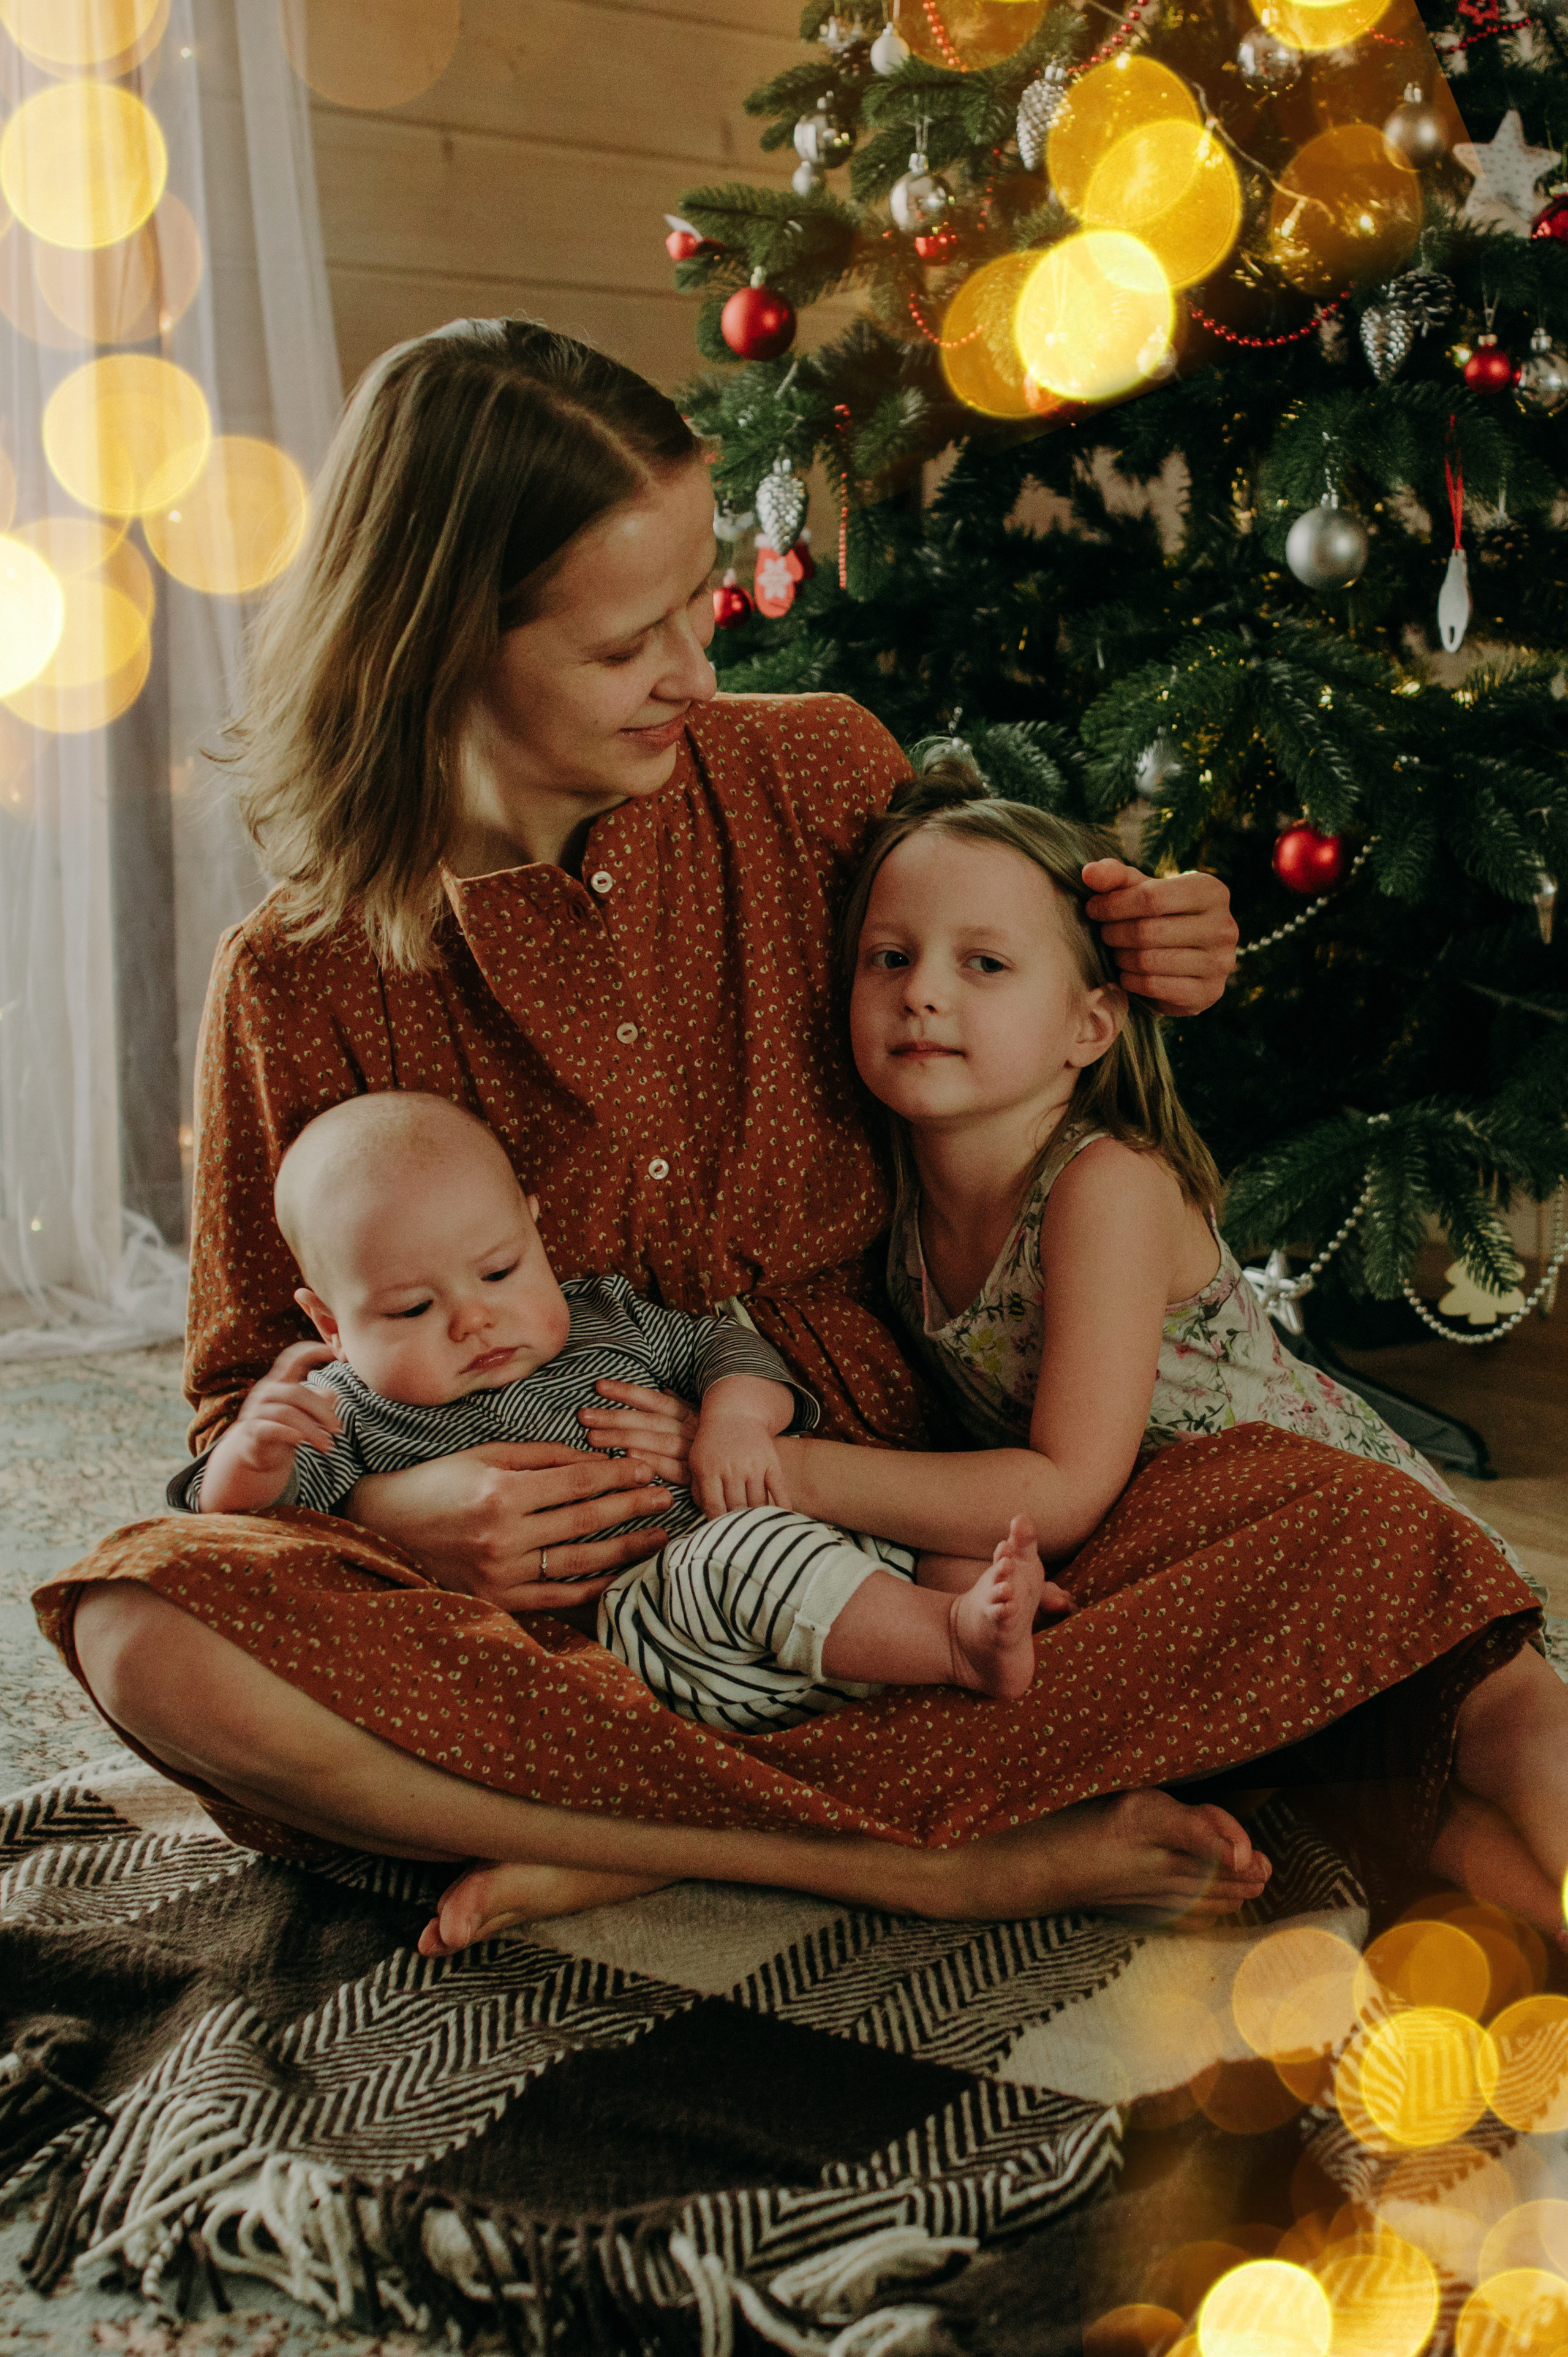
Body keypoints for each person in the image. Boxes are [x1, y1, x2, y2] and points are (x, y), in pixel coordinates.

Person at [34, 317, 1547, 1962]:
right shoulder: (301, 976)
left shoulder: (814, 772)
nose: (697, 664)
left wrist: (1151, 926)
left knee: (1370, 1548)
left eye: (701, 602)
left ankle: (655, 1832)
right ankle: (922, 1862)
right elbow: (256, 1384)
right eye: (631, 644)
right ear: (442, 642)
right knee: (141, 1632)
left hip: (921, 1537)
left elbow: (1004, 963)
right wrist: (403, 1524)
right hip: (577, 1614)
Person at [202, 1089, 1066, 1721]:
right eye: (411, 1311)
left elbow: (729, 1348)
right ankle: (955, 1645)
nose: (475, 1319)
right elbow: (267, 1545)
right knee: (738, 1554)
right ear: (330, 1323)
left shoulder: (607, 1314)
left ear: (537, 1234)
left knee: (915, 1522)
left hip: (789, 1566)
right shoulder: (347, 1409)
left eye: (500, 1271)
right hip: (652, 1632)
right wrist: (251, 1463)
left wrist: (734, 1416)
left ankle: (968, 1615)